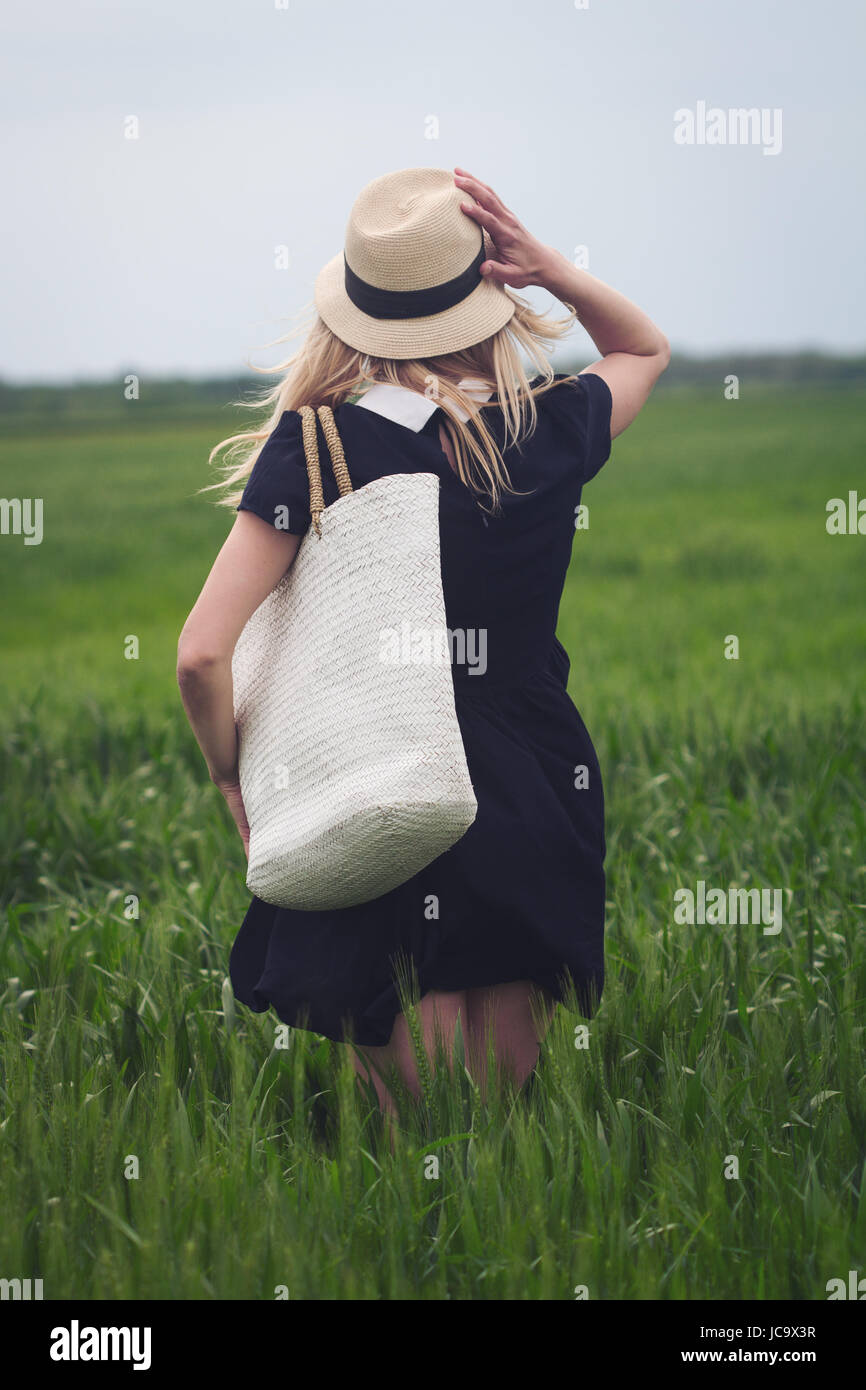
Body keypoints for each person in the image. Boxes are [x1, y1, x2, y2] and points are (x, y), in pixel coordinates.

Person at [177, 166, 669, 1118]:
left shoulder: (319, 445)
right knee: (515, 1125)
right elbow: (643, 348)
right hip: (532, 772)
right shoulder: (551, 429)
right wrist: (555, 271)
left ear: (355, 315)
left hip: (385, 767)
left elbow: (202, 652)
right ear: (490, 295)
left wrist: (230, 774)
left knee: (411, 1140)